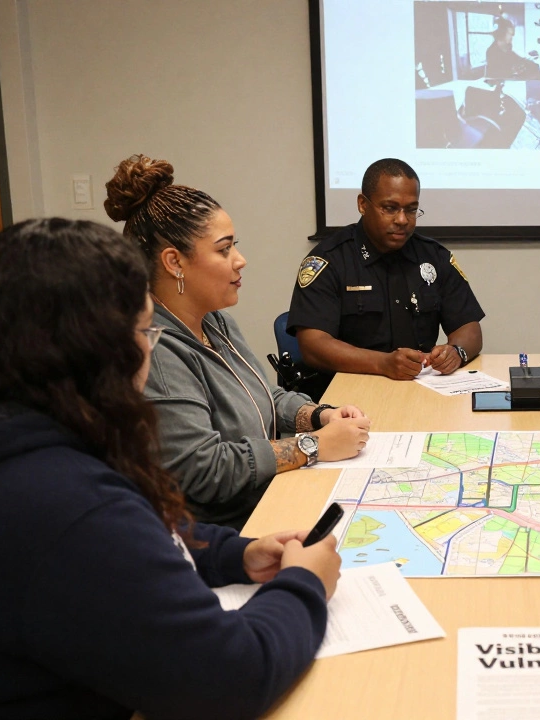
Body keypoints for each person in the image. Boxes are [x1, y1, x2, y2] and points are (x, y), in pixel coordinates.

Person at [0, 218, 342, 720]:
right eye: (144, 330)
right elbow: (231, 678)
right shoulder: (59, 503)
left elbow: (126, 534)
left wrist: (232, 553)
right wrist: (303, 584)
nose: (149, 347)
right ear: (98, 348)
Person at [105, 154, 371, 530]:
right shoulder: (157, 351)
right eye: (224, 249)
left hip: (270, 499)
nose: (240, 260)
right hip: (230, 533)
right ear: (174, 262)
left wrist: (319, 416)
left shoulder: (214, 321)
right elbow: (207, 469)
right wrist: (313, 446)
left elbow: (264, 396)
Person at [288, 158, 485, 387]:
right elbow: (313, 346)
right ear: (363, 204)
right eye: (390, 208)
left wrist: (456, 351)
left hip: (421, 388)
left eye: (411, 210)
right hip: (348, 393)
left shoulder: (433, 257)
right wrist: (383, 364)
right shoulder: (329, 260)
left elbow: (469, 328)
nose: (402, 220)